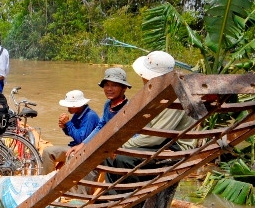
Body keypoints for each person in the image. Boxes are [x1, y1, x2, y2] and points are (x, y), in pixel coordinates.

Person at [104, 51, 196, 197]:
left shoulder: (174, 97)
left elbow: (155, 138)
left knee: (123, 158)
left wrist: (121, 145)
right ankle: (110, 198)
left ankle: (132, 204)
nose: (142, 79)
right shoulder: (159, 92)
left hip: (174, 147)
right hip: (161, 141)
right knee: (108, 156)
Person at [66, 67, 132, 158]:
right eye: (107, 85)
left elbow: (132, 135)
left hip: (123, 148)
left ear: (124, 88)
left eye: (114, 85)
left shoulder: (128, 108)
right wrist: (83, 144)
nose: (109, 89)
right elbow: (100, 126)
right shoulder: (107, 105)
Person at [40, 90, 99, 174]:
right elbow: (72, 132)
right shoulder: (78, 114)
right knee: (47, 151)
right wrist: (65, 127)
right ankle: (46, 179)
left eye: (70, 106)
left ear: (78, 105)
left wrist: (68, 123)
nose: (68, 108)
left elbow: (80, 139)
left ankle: (49, 181)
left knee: (50, 152)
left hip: (86, 149)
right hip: (76, 146)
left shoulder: (90, 116)